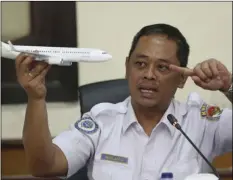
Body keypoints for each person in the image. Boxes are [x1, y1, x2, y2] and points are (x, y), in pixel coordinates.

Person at [16, 23, 232, 180]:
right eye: (140, 64)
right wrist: (36, 98)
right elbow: (43, 166)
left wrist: (229, 87)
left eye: (163, 67)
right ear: (127, 67)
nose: (149, 74)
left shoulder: (202, 121)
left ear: (183, 78)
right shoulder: (101, 122)